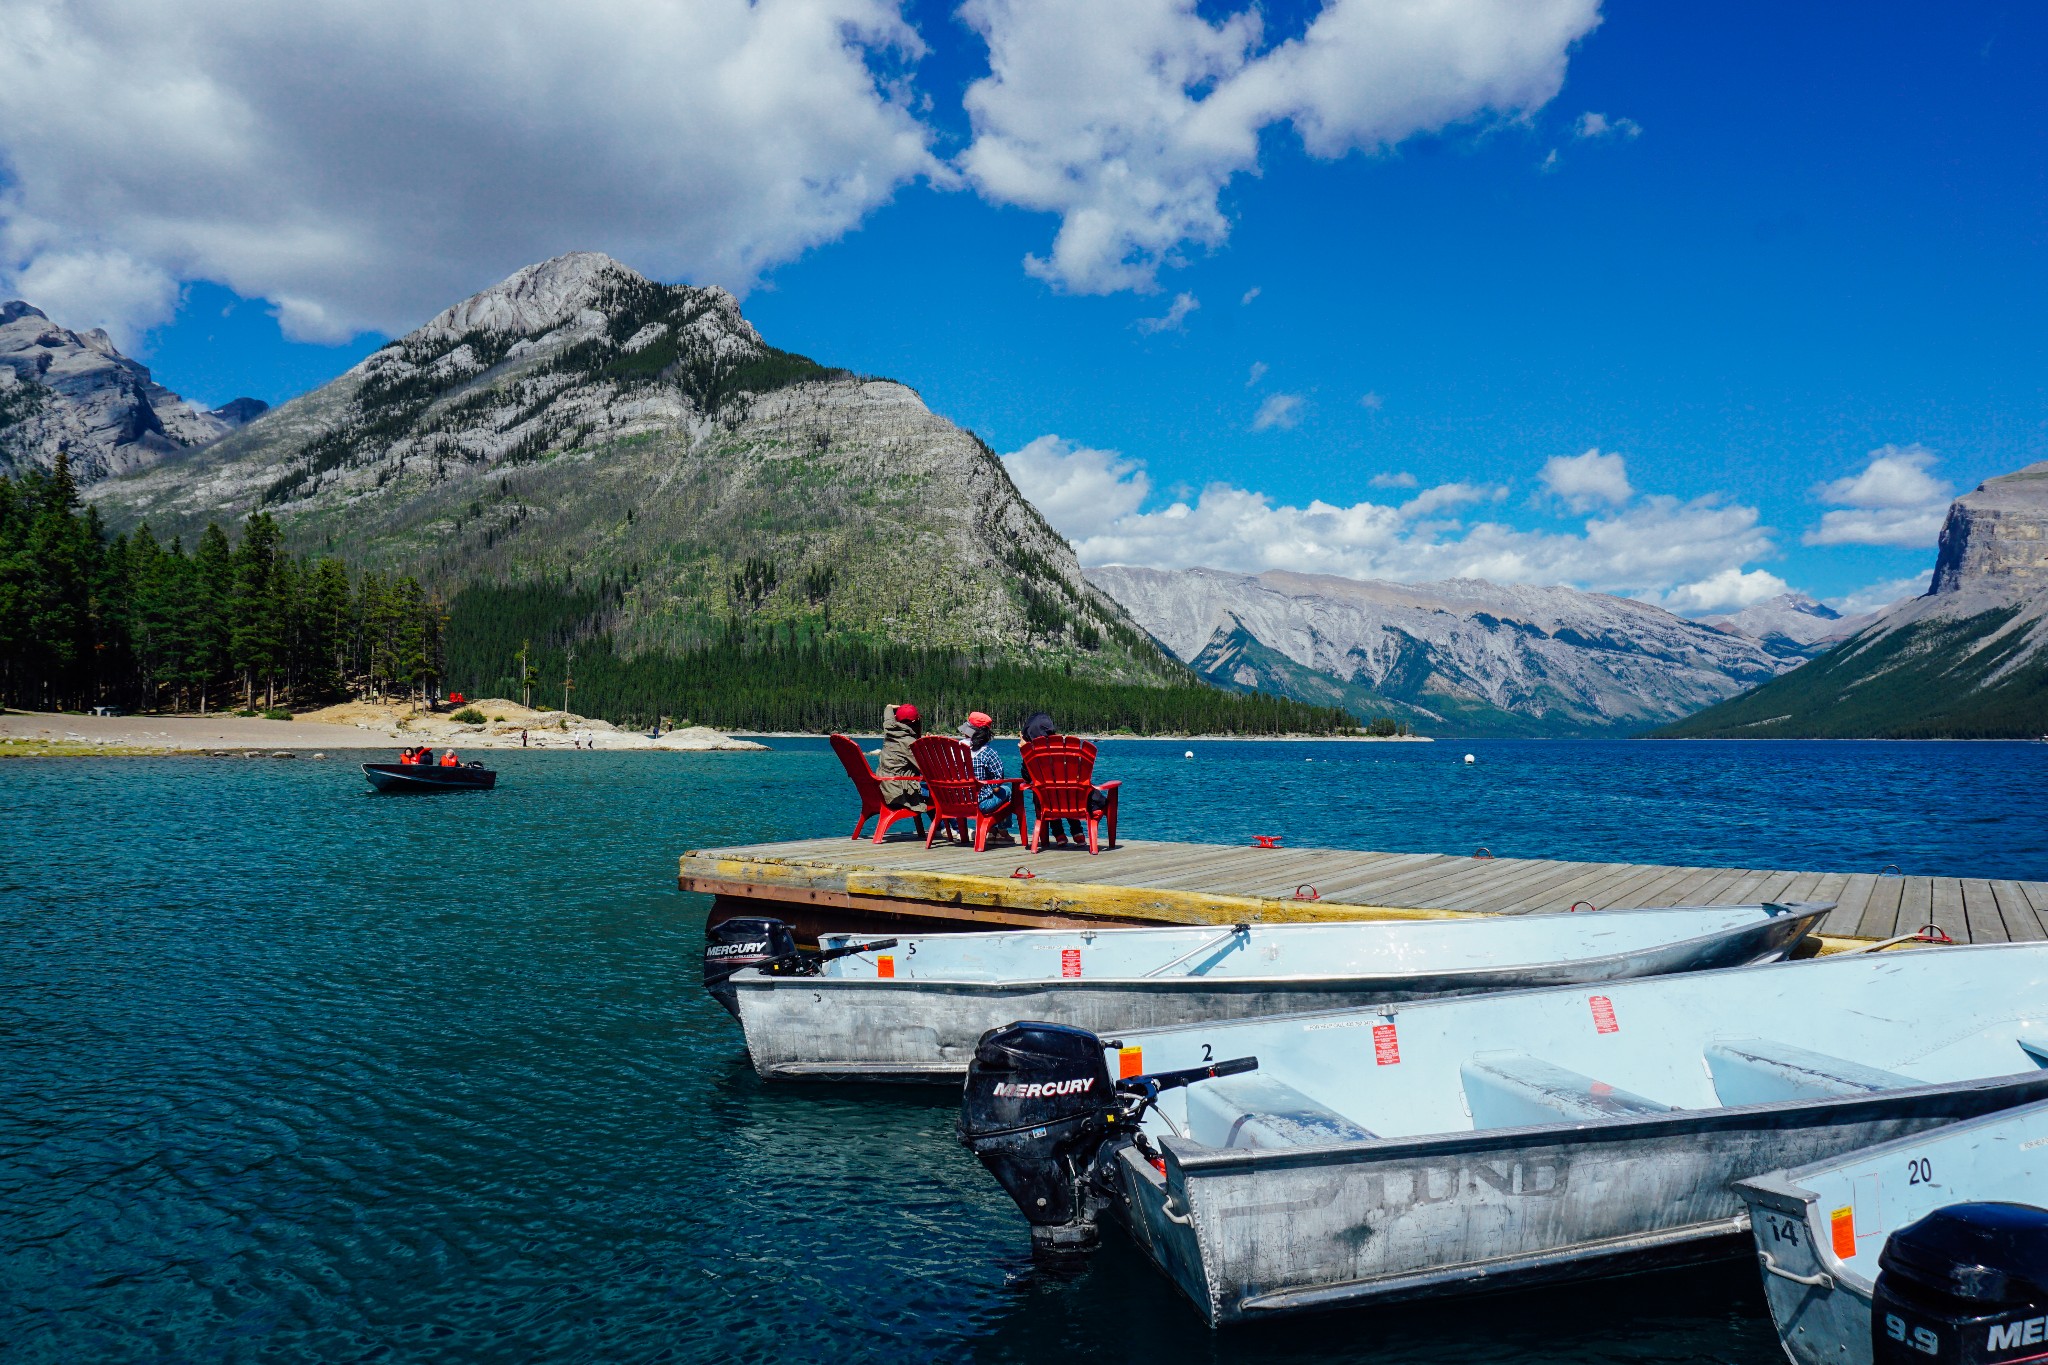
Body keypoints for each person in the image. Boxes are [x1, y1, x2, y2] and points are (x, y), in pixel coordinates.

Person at [1019, 711, 1109, 847]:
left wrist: (1024, 754)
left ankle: (1059, 835)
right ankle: (1078, 833)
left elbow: (1026, 778)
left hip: (1047, 804)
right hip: (1075, 801)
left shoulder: (1032, 754)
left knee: (1048, 793)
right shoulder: (1064, 750)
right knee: (1066, 792)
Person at [959, 711, 1014, 840]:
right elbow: (996, 786)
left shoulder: (954, 749)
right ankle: (1001, 831)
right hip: (980, 804)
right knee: (1006, 790)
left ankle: (992, 830)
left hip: (956, 801)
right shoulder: (988, 753)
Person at [876, 704, 929, 811]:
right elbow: (927, 771)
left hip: (881, 790)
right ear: (915, 722)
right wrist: (925, 747)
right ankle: (950, 827)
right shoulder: (910, 743)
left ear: (896, 719)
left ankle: (939, 826)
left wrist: (903, 711)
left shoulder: (890, 729)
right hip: (898, 795)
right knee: (939, 793)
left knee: (928, 790)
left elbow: (888, 707)